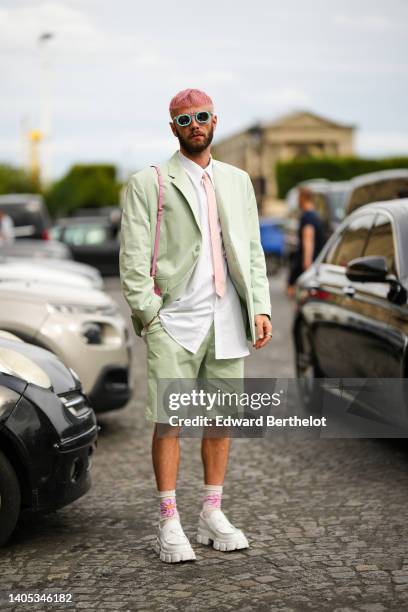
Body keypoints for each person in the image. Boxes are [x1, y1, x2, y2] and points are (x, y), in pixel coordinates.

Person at [120, 88, 272, 563]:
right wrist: (150, 314)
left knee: (221, 419)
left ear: (214, 121)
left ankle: (211, 513)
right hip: (176, 320)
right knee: (170, 422)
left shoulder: (238, 180)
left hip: (227, 317)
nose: (194, 125)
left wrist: (260, 306)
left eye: (201, 116)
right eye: (184, 120)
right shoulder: (149, 182)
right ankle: (169, 521)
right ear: (173, 128)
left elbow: (251, 250)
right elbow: (132, 257)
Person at [287, 187, 325, 298]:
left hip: (306, 264)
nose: (298, 201)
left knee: (299, 297)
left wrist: (307, 264)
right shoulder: (315, 215)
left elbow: (308, 241)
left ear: (303, 198)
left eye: (299, 197)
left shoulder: (308, 217)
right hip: (315, 263)